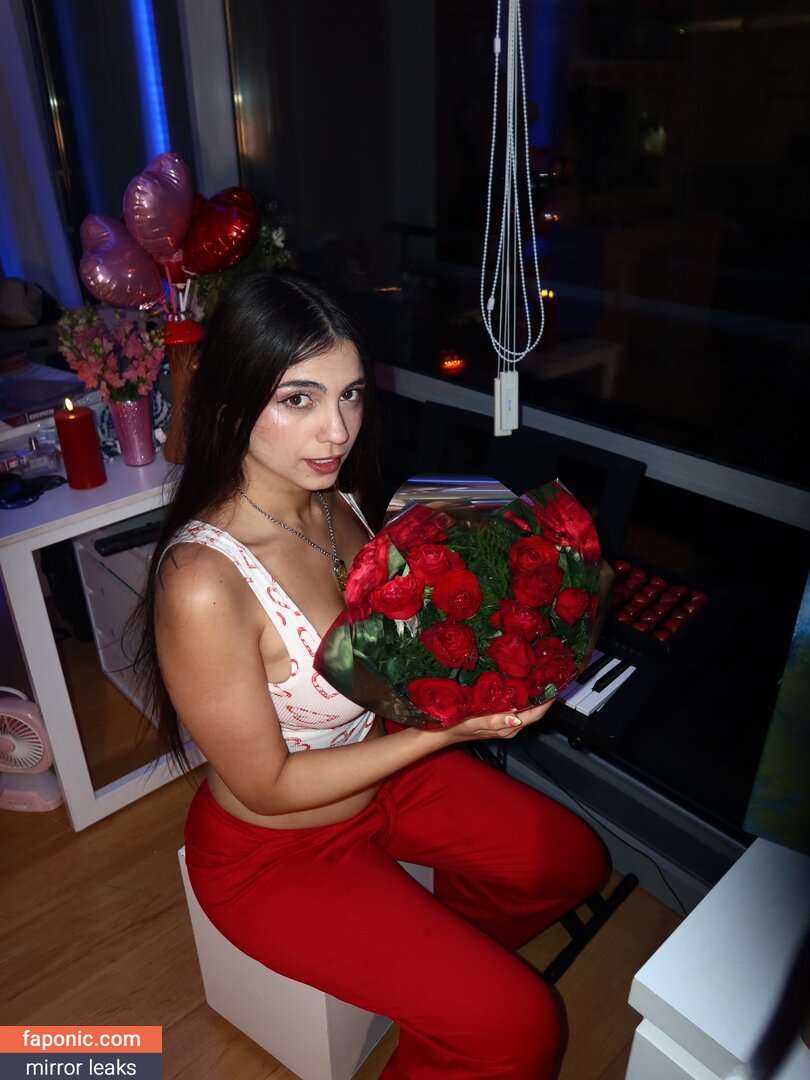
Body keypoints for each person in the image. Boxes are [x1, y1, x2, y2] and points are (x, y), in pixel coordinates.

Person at [138, 271, 607, 1079]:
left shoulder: (339, 497)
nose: (337, 431)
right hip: (276, 848)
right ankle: (467, 1010)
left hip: (384, 770)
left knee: (569, 860)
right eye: (299, 399)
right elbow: (269, 787)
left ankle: (445, 994)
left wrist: (503, 625)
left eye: (351, 394)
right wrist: (447, 731)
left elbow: (392, 647)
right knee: (523, 1027)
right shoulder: (203, 583)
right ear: (229, 403)